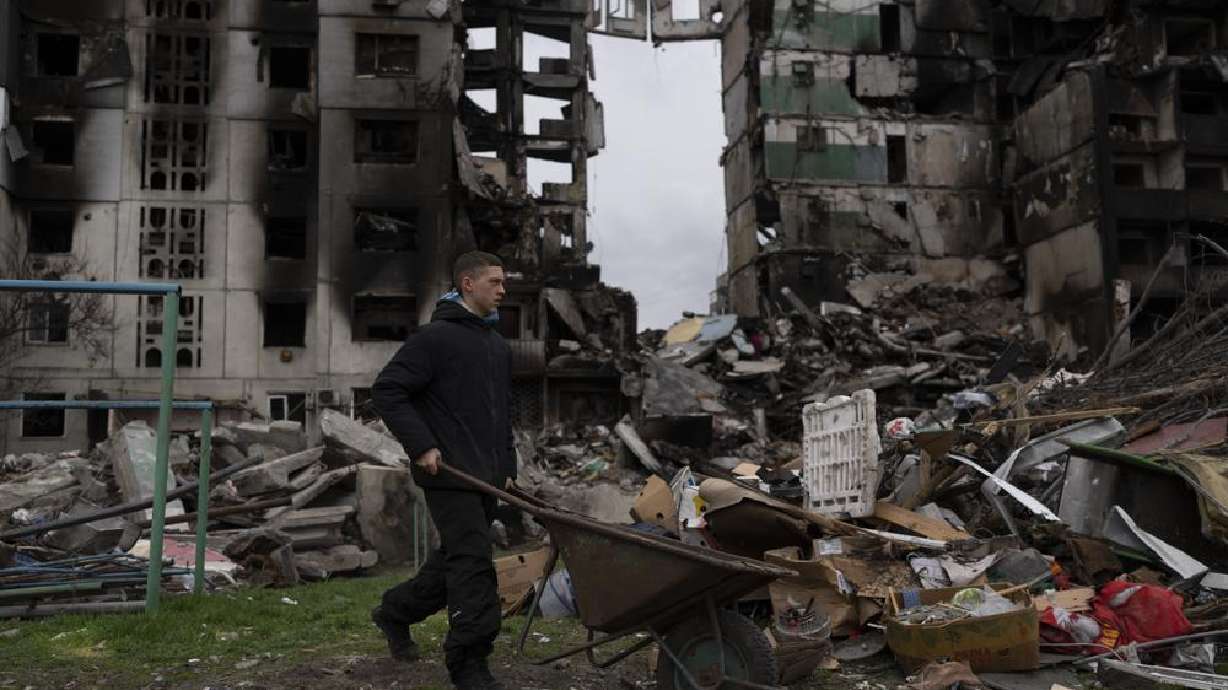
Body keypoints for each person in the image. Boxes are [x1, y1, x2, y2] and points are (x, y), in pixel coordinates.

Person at [369, 251, 515, 690]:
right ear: (467, 284)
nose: (503, 289)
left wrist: (506, 466)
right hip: (448, 474)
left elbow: (501, 413)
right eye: (495, 281)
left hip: (485, 475)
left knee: (454, 559)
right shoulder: (434, 339)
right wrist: (422, 446)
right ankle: (468, 663)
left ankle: (394, 612)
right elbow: (388, 390)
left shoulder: (495, 345)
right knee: (473, 564)